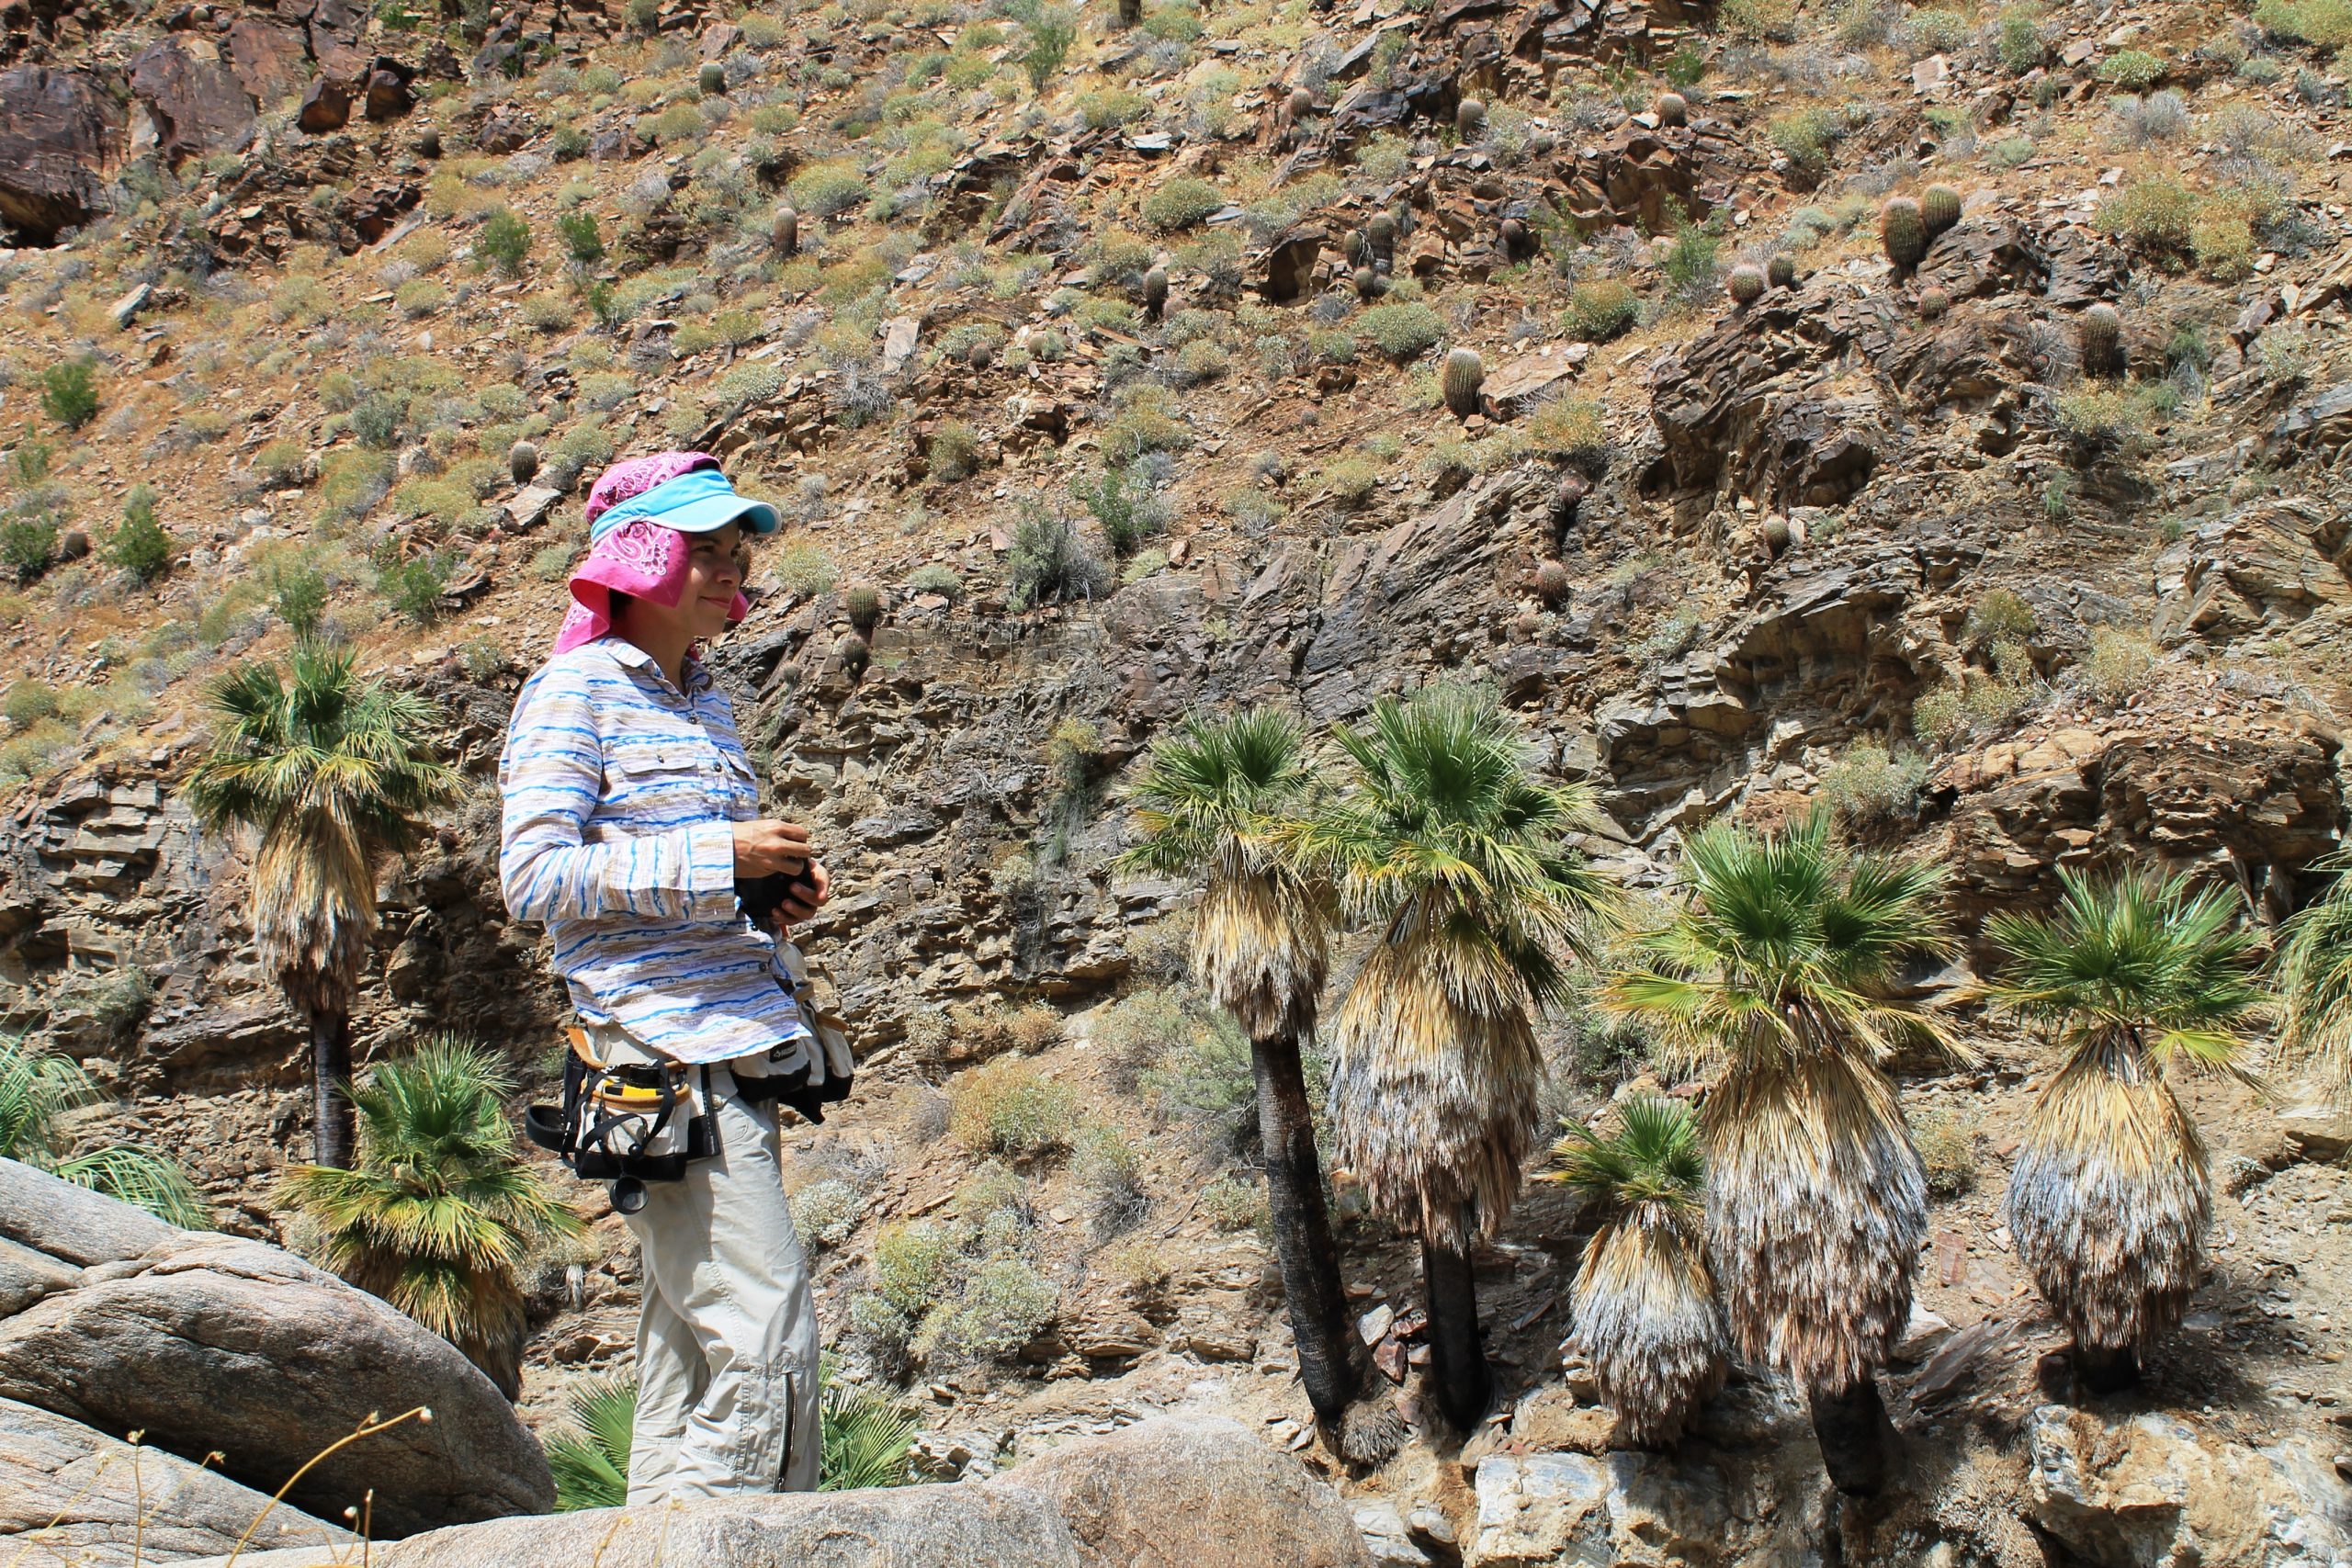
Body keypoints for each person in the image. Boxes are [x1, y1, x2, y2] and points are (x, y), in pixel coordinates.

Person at [497, 452, 845, 1499]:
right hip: (656, 1045)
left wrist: (765, 893)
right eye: (705, 550)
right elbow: (534, 875)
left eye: (736, 553)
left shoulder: (711, 700)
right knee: (765, 1323)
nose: (730, 570)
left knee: (684, 1343)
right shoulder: (573, 692)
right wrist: (718, 859)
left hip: (739, 1035)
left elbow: (681, 871)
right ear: (639, 556)